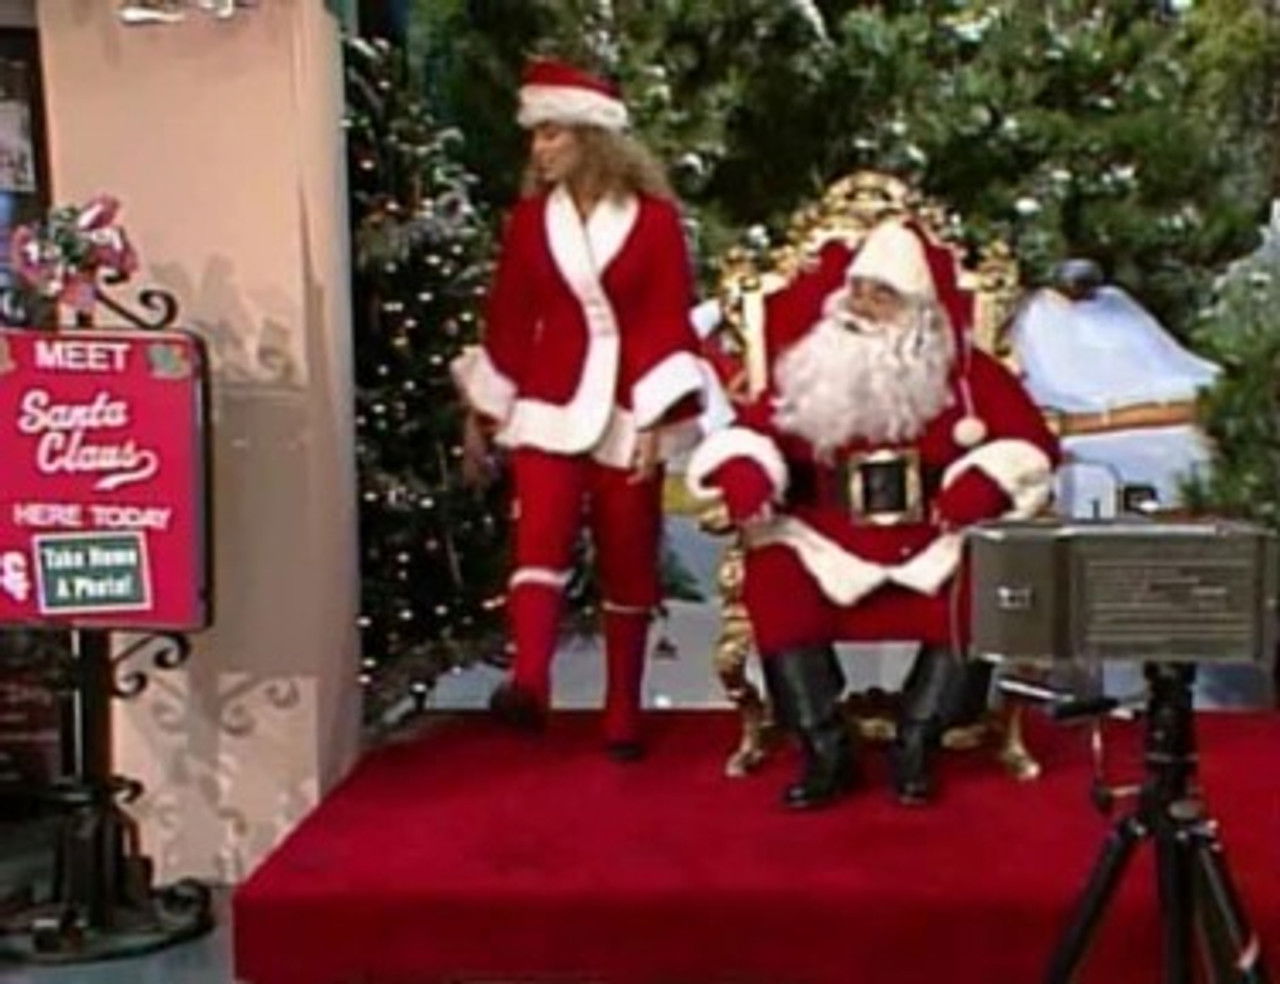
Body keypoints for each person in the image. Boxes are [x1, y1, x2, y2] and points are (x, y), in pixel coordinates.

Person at [686, 219, 1060, 807]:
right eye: (856, 289)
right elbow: (750, 433)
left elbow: (1032, 442)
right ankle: (824, 747)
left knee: (981, 572)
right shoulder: (808, 364)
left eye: (880, 295)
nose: (859, 305)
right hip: (822, 528)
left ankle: (918, 740)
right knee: (775, 570)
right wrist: (745, 469)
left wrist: (988, 476)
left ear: (917, 311)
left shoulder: (966, 373)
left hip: (934, 530)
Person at [452, 58, 706, 761]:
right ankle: (529, 682)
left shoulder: (655, 224)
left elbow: (666, 318)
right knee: (538, 539)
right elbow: (509, 317)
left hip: (629, 407)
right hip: (548, 400)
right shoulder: (530, 223)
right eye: (536, 136)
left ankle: (623, 709)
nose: (538, 149)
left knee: (628, 556)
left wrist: (659, 416)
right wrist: (486, 407)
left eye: (551, 134)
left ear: (591, 138)